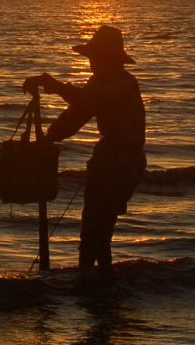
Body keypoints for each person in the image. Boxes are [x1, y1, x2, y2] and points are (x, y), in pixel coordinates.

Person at [22, 24, 146, 271]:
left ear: (109, 58)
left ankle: (93, 282)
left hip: (124, 162)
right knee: (94, 227)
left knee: (98, 227)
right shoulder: (99, 81)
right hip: (107, 158)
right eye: (90, 59)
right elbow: (77, 115)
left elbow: (90, 101)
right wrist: (50, 137)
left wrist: (56, 86)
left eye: (95, 58)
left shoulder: (124, 84)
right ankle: (95, 282)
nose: (91, 63)